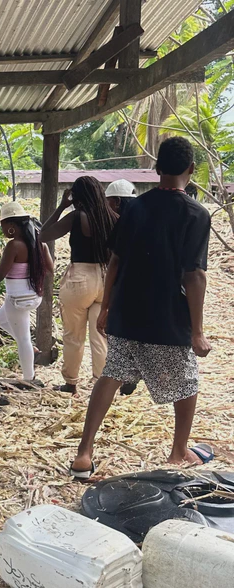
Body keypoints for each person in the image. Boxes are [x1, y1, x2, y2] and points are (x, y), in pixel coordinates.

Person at [70, 137, 213, 479]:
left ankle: (84, 453)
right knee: (187, 381)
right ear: (191, 169)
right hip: (168, 316)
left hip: (128, 312)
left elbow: (115, 261)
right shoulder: (196, 214)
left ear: (157, 168)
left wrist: (108, 307)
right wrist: (197, 331)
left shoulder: (134, 208)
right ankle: (178, 452)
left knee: (111, 375)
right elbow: (194, 276)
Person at [40, 176, 118, 393]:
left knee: (73, 336)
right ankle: (101, 385)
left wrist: (61, 206)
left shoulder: (77, 216)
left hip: (79, 280)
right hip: (106, 278)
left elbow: (43, 235)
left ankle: (71, 383)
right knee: (100, 335)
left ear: (76, 196)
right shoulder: (113, 218)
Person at [0, 202, 54, 382]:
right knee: (0, 319)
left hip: (17, 299)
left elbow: (0, 274)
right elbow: (50, 269)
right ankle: (29, 348)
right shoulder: (39, 244)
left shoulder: (14, 246)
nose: (2, 230)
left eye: (3, 226)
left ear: (11, 225)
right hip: (34, 296)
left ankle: (29, 379)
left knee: (24, 339)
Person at [105, 179, 138, 396]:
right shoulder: (146, 218)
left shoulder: (123, 223)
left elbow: (114, 262)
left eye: (109, 201)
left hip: (124, 287)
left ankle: (126, 375)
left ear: (117, 202)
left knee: (120, 336)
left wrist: (106, 304)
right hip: (145, 287)